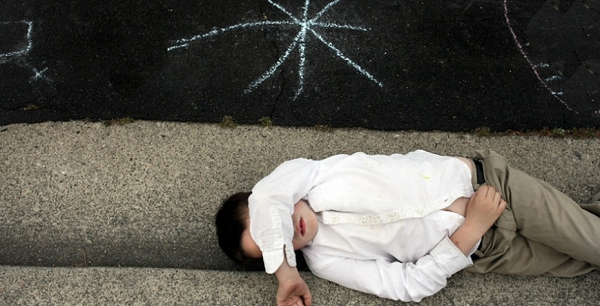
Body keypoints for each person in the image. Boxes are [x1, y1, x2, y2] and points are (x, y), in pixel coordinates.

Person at [215, 149, 600, 305]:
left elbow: (268, 199)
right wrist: (469, 233)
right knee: (582, 256)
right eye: (276, 247)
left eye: (273, 230)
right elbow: (406, 286)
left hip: (494, 188)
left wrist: (282, 275)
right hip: (488, 249)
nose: (287, 235)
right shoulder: (326, 262)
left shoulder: (313, 174)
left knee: (593, 243)